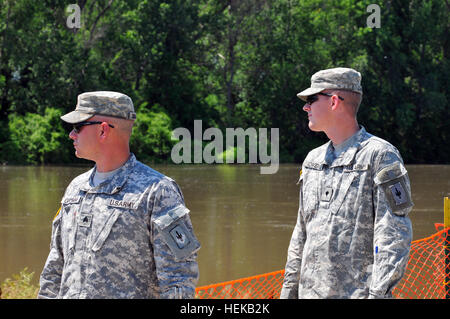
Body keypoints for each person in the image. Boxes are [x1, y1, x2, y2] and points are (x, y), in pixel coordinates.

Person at [38, 91, 200, 299]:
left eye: (78, 127)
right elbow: (55, 267)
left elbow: (179, 280)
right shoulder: (75, 188)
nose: (72, 134)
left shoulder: (158, 191)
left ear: (103, 130)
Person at [280, 68, 413, 299]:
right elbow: (301, 233)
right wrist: (288, 292)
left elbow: (393, 236)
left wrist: (378, 295)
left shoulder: (380, 156)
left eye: (312, 99)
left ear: (333, 101)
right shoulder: (312, 161)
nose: (305, 107)